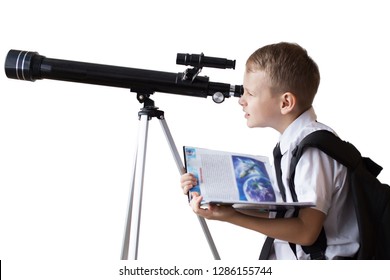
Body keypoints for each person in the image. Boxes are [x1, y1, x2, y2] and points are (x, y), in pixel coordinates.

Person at [180, 42, 359, 260]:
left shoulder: (313, 152)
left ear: (285, 102)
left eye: (250, 93)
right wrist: (217, 201)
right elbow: (282, 213)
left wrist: (231, 216)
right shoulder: (291, 145)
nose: (241, 101)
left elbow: (306, 232)